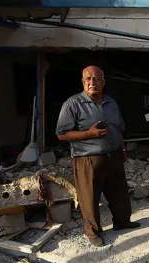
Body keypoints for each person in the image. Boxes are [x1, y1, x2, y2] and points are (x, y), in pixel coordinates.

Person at [56, 66, 139, 247]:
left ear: (103, 82)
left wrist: (122, 150)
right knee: (89, 197)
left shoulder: (111, 103)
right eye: (88, 79)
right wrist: (89, 134)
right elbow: (62, 134)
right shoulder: (73, 104)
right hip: (88, 159)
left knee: (119, 192)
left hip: (114, 156)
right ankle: (93, 233)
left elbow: (118, 129)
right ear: (83, 81)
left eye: (96, 79)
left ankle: (122, 221)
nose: (92, 82)